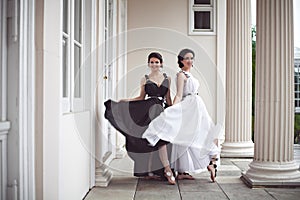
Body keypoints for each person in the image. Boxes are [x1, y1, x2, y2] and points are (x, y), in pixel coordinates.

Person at [142, 48, 221, 183]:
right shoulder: (181, 75)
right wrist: (171, 109)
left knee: (209, 134)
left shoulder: (191, 75)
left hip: (198, 106)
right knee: (188, 137)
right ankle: (204, 165)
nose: (189, 61)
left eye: (191, 58)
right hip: (188, 106)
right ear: (181, 60)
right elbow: (178, 95)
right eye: (186, 58)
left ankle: (210, 163)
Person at [104, 52, 174, 182]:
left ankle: (162, 169)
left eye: (157, 62)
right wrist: (126, 101)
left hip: (161, 111)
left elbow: (168, 98)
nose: (154, 64)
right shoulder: (145, 78)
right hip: (148, 110)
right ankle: (152, 171)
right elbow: (141, 97)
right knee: (149, 140)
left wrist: (175, 110)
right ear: (148, 64)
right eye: (152, 62)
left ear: (161, 64)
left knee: (162, 138)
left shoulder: (167, 78)